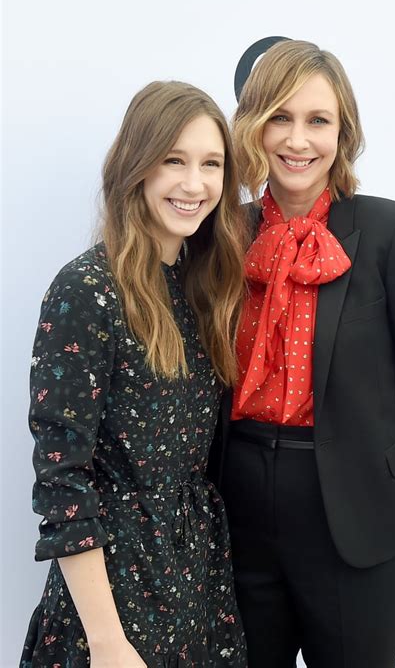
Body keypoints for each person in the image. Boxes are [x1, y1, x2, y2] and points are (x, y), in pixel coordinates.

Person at [208, 40, 395, 667]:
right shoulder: (219, 234)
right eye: (280, 117)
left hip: (354, 518)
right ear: (253, 126)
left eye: (318, 120)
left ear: (342, 131)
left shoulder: (394, 233)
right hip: (235, 508)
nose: (298, 140)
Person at [21, 81, 248, 668]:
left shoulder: (200, 290)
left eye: (211, 164)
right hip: (114, 595)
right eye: (174, 160)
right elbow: (62, 481)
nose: (194, 183)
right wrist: (107, 642)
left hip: (193, 577)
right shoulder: (88, 291)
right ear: (136, 167)